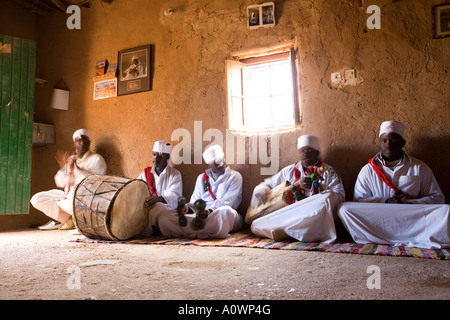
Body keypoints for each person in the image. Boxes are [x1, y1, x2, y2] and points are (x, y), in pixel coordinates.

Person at [338, 120, 450, 248]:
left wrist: (409, 203)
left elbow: (437, 198)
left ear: (403, 143)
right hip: (380, 218)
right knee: (344, 209)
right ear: (379, 143)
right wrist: (386, 202)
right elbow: (359, 200)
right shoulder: (368, 170)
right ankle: (379, 236)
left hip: (411, 217)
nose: (388, 145)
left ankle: (390, 238)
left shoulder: (419, 167)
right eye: (384, 140)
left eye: (394, 140)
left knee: (446, 210)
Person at [248, 135, 345, 243]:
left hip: (316, 215)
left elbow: (340, 198)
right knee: (255, 225)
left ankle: (287, 230)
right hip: (293, 213)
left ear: (317, 153)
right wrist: (260, 190)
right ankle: (293, 230)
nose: (305, 153)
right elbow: (267, 184)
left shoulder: (329, 172)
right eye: (302, 151)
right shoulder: (289, 171)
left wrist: (321, 187)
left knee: (328, 197)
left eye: (309, 150)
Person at [158, 144, 243, 239]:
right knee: (164, 217)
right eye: (214, 162)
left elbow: (228, 202)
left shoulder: (235, 177)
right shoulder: (201, 178)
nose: (219, 163)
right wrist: (187, 208)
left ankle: (190, 231)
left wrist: (208, 211)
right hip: (199, 216)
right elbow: (195, 202)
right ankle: (204, 231)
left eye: (220, 159)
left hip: (220, 214)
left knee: (224, 213)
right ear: (208, 165)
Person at [31, 129, 107, 230]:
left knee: (73, 203)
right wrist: (63, 169)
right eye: (78, 140)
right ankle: (68, 220)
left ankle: (77, 221)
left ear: (89, 143)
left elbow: (96, 182)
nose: (82, 143)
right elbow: (60, 182)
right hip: (68, 195)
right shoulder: (71, 159)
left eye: (85, 141)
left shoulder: (96, 159)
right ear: (74, 143)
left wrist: (78, 169)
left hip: (85, 198)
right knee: (37, 199)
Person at [137, 141, 183, 237]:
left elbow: (175, 197)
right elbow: (137, 190)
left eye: (160, 156)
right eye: (154, 155)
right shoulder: (145, 173)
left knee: (159, 207)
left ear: (167, 157)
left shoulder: (175, 174)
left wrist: (159, 199)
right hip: (147, 207)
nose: (156, 159)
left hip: (166, 210)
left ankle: (144, 232)